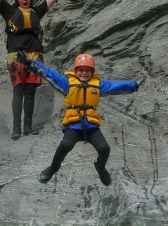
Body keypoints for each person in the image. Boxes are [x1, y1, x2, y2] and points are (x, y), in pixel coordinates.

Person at [17, 51, 140, 186]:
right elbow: (48, 73)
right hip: (73, 124)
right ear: (75, 70)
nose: (84, 73)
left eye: (87, 71)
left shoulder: (98, 85)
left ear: (92, 72)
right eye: (80, 70)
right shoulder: (67, 83)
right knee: (65, 145)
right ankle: (53, 168)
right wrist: (29, 63)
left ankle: (100, 167)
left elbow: (115, 86)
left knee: (104, 149)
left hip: (91, 126)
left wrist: (132, 85)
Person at [0, 0, 60, 139]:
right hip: (16, 55)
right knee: (18, 89)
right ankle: (16, 128)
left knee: (30, 90)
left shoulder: (36, 11)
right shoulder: (8, 11)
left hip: (35, 54)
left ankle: (28, 127)